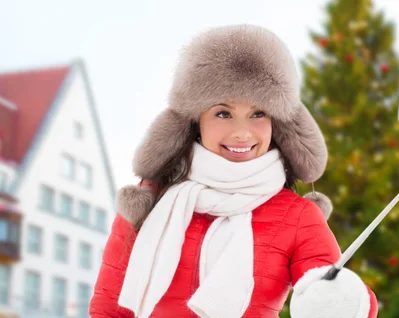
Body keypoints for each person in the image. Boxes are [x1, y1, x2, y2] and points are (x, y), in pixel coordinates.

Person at [90, 24, 378, 318]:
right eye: (223, 113)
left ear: (277, 122)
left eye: (258, 113)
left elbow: (342, 300)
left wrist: (339, 297)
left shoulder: (297, 217)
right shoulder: (150, 204)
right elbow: (108, 310)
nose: (242, 133)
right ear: (195, 121)